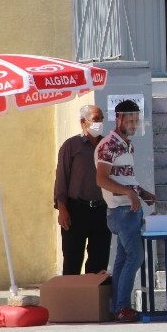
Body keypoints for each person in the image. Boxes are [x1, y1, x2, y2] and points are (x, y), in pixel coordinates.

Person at [96, 100, 156, 323]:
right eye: (129, 119)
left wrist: (141, 192)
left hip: (128, 209)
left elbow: (126, 179)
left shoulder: (127, 144)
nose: (132, 124)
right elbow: (101, 179)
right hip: (121, 211)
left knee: (122, 259)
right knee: (135, 256)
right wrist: (129, 194)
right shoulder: (108, 145)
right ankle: (122, 306)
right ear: (118, 118)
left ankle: (116, 306)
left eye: (135, 120)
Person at [54, 104, 112, 275]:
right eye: (95, 119)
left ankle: (93, 293)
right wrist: (62, 209)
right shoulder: (71, 146)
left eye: (101, 119)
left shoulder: (107, 145)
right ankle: (71, 294)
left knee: (99, 264)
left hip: (101, 210)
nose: (99, 123)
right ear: (83, 122)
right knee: (72, 261)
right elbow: (61, 178)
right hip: (76, 210)